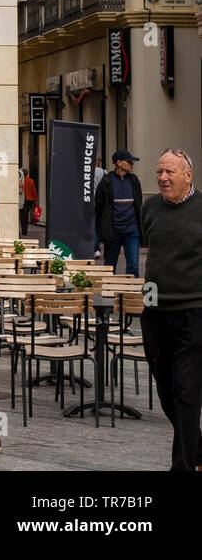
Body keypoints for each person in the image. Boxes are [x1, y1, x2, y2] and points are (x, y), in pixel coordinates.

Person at [140, 148, 202, 472]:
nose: (163, 178)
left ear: (188, 176)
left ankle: (182, 467)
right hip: (155, 314)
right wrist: (147, 310)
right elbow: (151, 262)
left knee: (186, 393)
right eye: (159, 172)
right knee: (166, 393)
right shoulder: (150, 208)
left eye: (170, 173)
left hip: (194, 313)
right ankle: (199, 451)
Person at [94, 150, 143, 276]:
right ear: (119, 163)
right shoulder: (106, 182)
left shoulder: (134, 181)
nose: (132, 164)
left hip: (132, 231)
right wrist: (102, 229)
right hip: (113, 231)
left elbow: (138, 204)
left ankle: (132, 292)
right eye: (129, 162)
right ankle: (109, 293)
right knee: (110, 267)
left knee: (133, 266)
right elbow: (99, 206)